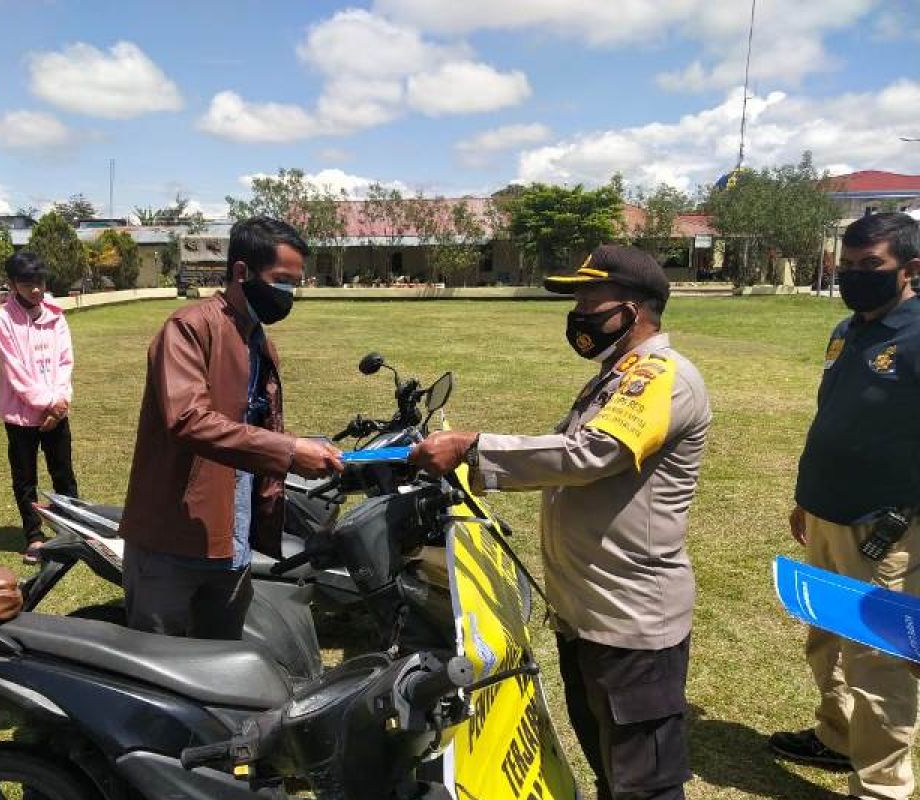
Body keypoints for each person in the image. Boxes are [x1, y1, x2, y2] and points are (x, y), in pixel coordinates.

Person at [411, 245, 711, 800]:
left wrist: (472, 448)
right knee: (607, 763)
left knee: (644, 781)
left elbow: (587, 454)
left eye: (591, 298)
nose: (579, 310)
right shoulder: (615, 377)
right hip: (586, 612)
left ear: (637, 308)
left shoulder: (662, 376)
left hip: (631, 620)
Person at [118, 216, 343, 640]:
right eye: (281, 280)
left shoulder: (257, 338)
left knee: (221, 670)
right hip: (173, 541)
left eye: (295, 283)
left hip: (232, 541)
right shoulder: (189, 328)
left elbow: (252, 423)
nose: (288, 294)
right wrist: (289, 451)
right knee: (163, 674)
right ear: (241, 272)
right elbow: (187, 420)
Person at [770, 212, 920, 800]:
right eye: (848, 265)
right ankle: (836, 737)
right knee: (826, 638)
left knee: (877, 662)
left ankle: (882, 788)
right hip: (827, 514)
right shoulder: (846, 328)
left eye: (871, 267)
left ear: (909, 270)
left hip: (887, 527)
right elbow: (835, 415)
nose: (854, 276)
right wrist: (808, 499)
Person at [0, 251, 77, 564]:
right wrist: (48, 403)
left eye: (39, 281)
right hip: (21, 415)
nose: (36, 289)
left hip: (57, 411)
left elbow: (65, 361)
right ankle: (34, 535)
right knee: (26, 478)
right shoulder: (2, 321)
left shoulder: (55, 314)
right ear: (12, 284)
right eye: (27, 283)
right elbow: (15, 372)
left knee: (63, 472)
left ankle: (73, 530)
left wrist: (60, 403)